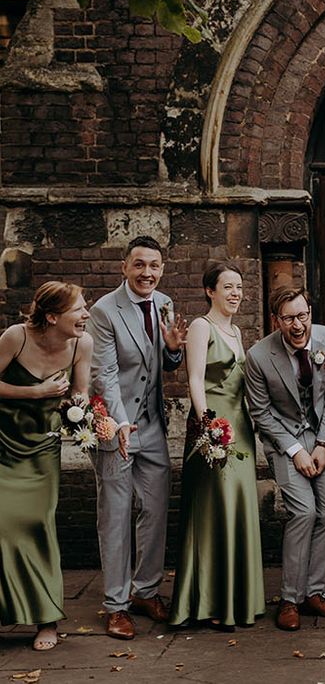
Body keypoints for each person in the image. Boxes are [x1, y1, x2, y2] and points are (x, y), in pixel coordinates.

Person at [87, 236, 188, 640]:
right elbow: (104, 375)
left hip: (152, 426)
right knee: (115, 515)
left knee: (156, 509)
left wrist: (174, 352)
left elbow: (163, 365)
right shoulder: (104, 311)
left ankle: (145, 591)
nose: (148, 273)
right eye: (140, 265)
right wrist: (121, 423)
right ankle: (115, 605)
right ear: (124, 267)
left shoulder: (164, 303)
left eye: (155, 265)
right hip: (118, 427)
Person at [245, 286, 325, 631]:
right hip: (284, 441)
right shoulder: (259, 356)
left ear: (310, 313)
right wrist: (296, 450)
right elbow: (261, 412)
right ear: (277, 320)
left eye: (303, 315)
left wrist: (322, 444)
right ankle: (290, 599)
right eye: (289, 318)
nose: (298, 324)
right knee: (304, 511)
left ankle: (314, 593)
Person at [169, 263, 265, 630]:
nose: (235, 293)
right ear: (210, 291)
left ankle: (238, 599)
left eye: (239, 287)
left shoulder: (237, 331)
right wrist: (207, 423)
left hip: (240, 427)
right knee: (212, 508)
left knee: (237, 506)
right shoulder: (200, 327)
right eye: (228, 287)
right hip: (213, 425)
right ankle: (207, 601)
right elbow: (194, 378)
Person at [0, 281, 92, 650]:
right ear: (52, 316)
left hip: (42, 447)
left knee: (38, 526)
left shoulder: (81, 344)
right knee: (3, 528)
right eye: (79, 309)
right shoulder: (15, 337)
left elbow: (81, 391)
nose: (87, 314)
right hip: (4, 444)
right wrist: (34, 392)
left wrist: (81, 408)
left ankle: (47, 620)